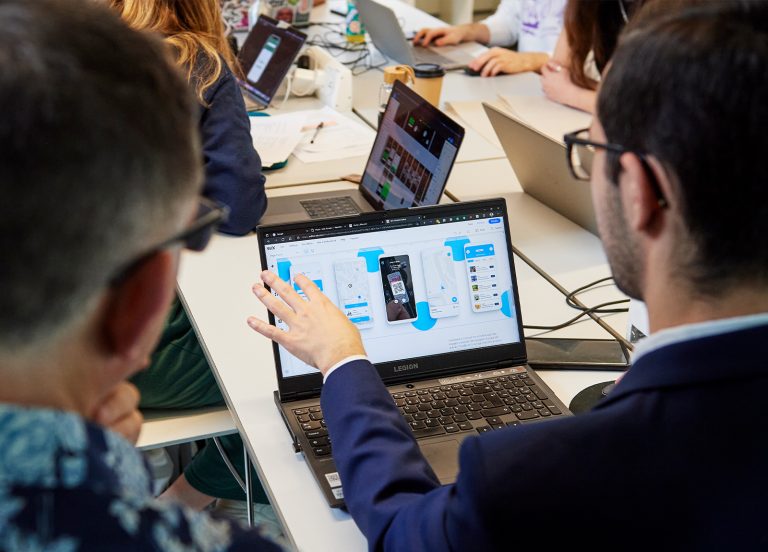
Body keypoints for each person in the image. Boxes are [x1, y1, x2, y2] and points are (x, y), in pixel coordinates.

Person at [248, 2, 768, 549]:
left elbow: (405, 531)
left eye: (590, 151)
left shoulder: (538, 473)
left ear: (639, 190)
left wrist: (343, 361)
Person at [0, 0, 284, 548]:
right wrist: (102, 473)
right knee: (287, 348)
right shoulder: (192, 62)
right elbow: (238, 206)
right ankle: (195, 487)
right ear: (146, 299)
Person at [108, 0, 272, 520]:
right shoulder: (196, 61)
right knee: (298, 350)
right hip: (118, 352)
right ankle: (189, 496)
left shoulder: (58, 50)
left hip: (36, 338)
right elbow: (237, 207)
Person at [540, 0, 650, 112]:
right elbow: (555, 74)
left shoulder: (665, 10)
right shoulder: (594, 4)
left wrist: (573, 94)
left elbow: (644, 112)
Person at [413, 0, 566, 77]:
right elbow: (510, 21)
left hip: (567, 86)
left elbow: (587, 62)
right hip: (530, 80)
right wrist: (468, 31)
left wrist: (530, 61)